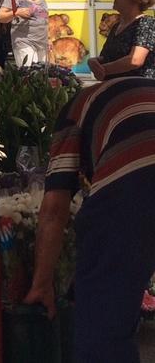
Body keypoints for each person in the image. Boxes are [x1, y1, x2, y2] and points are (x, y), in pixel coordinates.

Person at [24, 75, 155, 361]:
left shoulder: (71, 116)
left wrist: (42, 282)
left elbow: (54, 210)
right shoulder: (137, 93)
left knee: (102, 319)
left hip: (135, 180)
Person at [87, 0, 155, 81]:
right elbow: (107, 57)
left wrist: (103, 69)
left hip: (137, 91)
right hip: (116, 90)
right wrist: (92, 61)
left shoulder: (146, 23)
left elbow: (135, 60)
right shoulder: (116, 27)